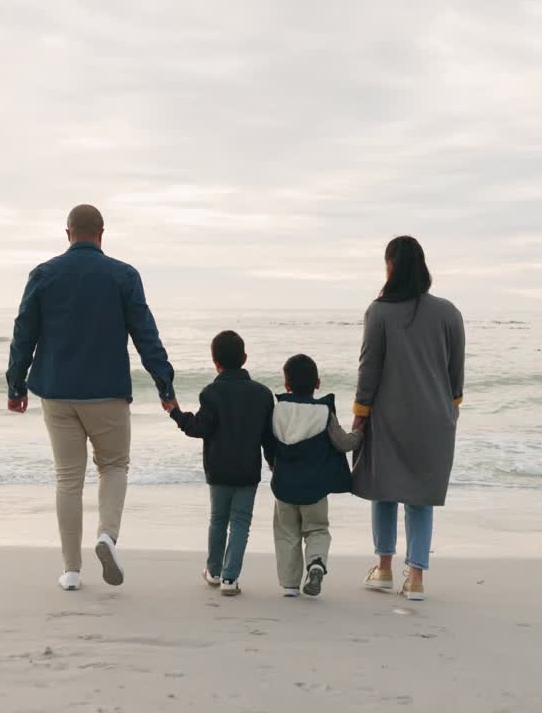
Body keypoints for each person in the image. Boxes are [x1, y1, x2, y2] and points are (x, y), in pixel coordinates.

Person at [5, 204, 178, 591]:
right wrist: (164, 384)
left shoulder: (44, 274)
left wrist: (16, 386)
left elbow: (24, 332)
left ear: (67, 233)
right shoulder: (124, 275)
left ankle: (71, 571)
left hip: (57, 392)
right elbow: (145, 333)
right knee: (114, 466)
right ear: (102, 233)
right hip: (108, 393)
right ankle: (107, 536)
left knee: (68, 479)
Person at [352, 236, 465, 602]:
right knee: (421, 496)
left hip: (388, 417)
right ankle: (415, 577)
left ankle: (384, 568)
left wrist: (359, 416)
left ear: (391, 266)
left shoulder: (379, 311)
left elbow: (369, 368)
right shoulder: (449, 312)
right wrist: (453, 407)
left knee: (383, 491)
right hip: (435, 418)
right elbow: (456, 371)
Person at [169, 330, 276, 597]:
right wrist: (273, 462)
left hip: (218, 470)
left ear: (215, 362)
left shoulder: (211, 393)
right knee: (241, 522)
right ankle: (230, 578)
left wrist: (176, 413)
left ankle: (213, 572)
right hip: (248, 470)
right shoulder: (263, 394)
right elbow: (268, 437)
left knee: (218, 520)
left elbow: (199, 428)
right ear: (245, 357)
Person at [269, 354, 363, 598]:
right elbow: (343, 444)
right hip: (315, 489)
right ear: (318, 383)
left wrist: (272, 464)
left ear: (287, 385)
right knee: (317, 529)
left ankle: (290, 585)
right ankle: (316, 564)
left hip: (284, 488)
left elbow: (269, 444)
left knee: (287, 533)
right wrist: (360, 432)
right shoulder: (324, 413)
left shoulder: (278, 411)